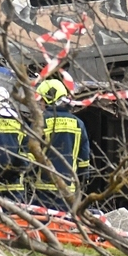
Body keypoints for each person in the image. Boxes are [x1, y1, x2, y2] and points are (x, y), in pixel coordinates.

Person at [30, 78, 91, 210]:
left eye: (41, 100)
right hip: (69, 190)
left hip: (43, 189)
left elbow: (30, 154)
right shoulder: (78, 124)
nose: (40, 104)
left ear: (48, 99)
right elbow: (84, 160)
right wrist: (82, 181)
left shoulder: (41, 122)